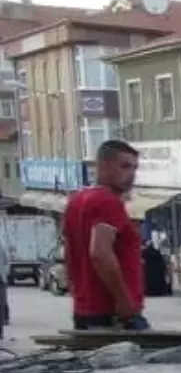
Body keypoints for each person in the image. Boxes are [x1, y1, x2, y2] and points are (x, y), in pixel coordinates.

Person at [63, 140, 148, 331]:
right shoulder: (108, 202)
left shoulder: (76, 201)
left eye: (134, 168)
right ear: (103, 166)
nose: (131, 175)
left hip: (85, 310)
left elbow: (69, 253)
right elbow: (100, 253)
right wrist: (125, 303)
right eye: (124, 166)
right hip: (112, 314)